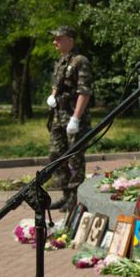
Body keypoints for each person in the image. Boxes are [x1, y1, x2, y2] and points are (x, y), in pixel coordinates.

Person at [46, 25, 93, 212]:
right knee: (56, 156)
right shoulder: (61, 61)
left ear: (70, 40)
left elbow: (84, 91)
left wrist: (76, 118)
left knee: (75, 157)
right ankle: (66, 195)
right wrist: (52, 96)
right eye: (55, 38)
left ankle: (75, 198)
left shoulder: (80, 61)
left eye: (59, 38)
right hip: (59, 115)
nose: (54, 42)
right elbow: (57, 84)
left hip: (74, 117)